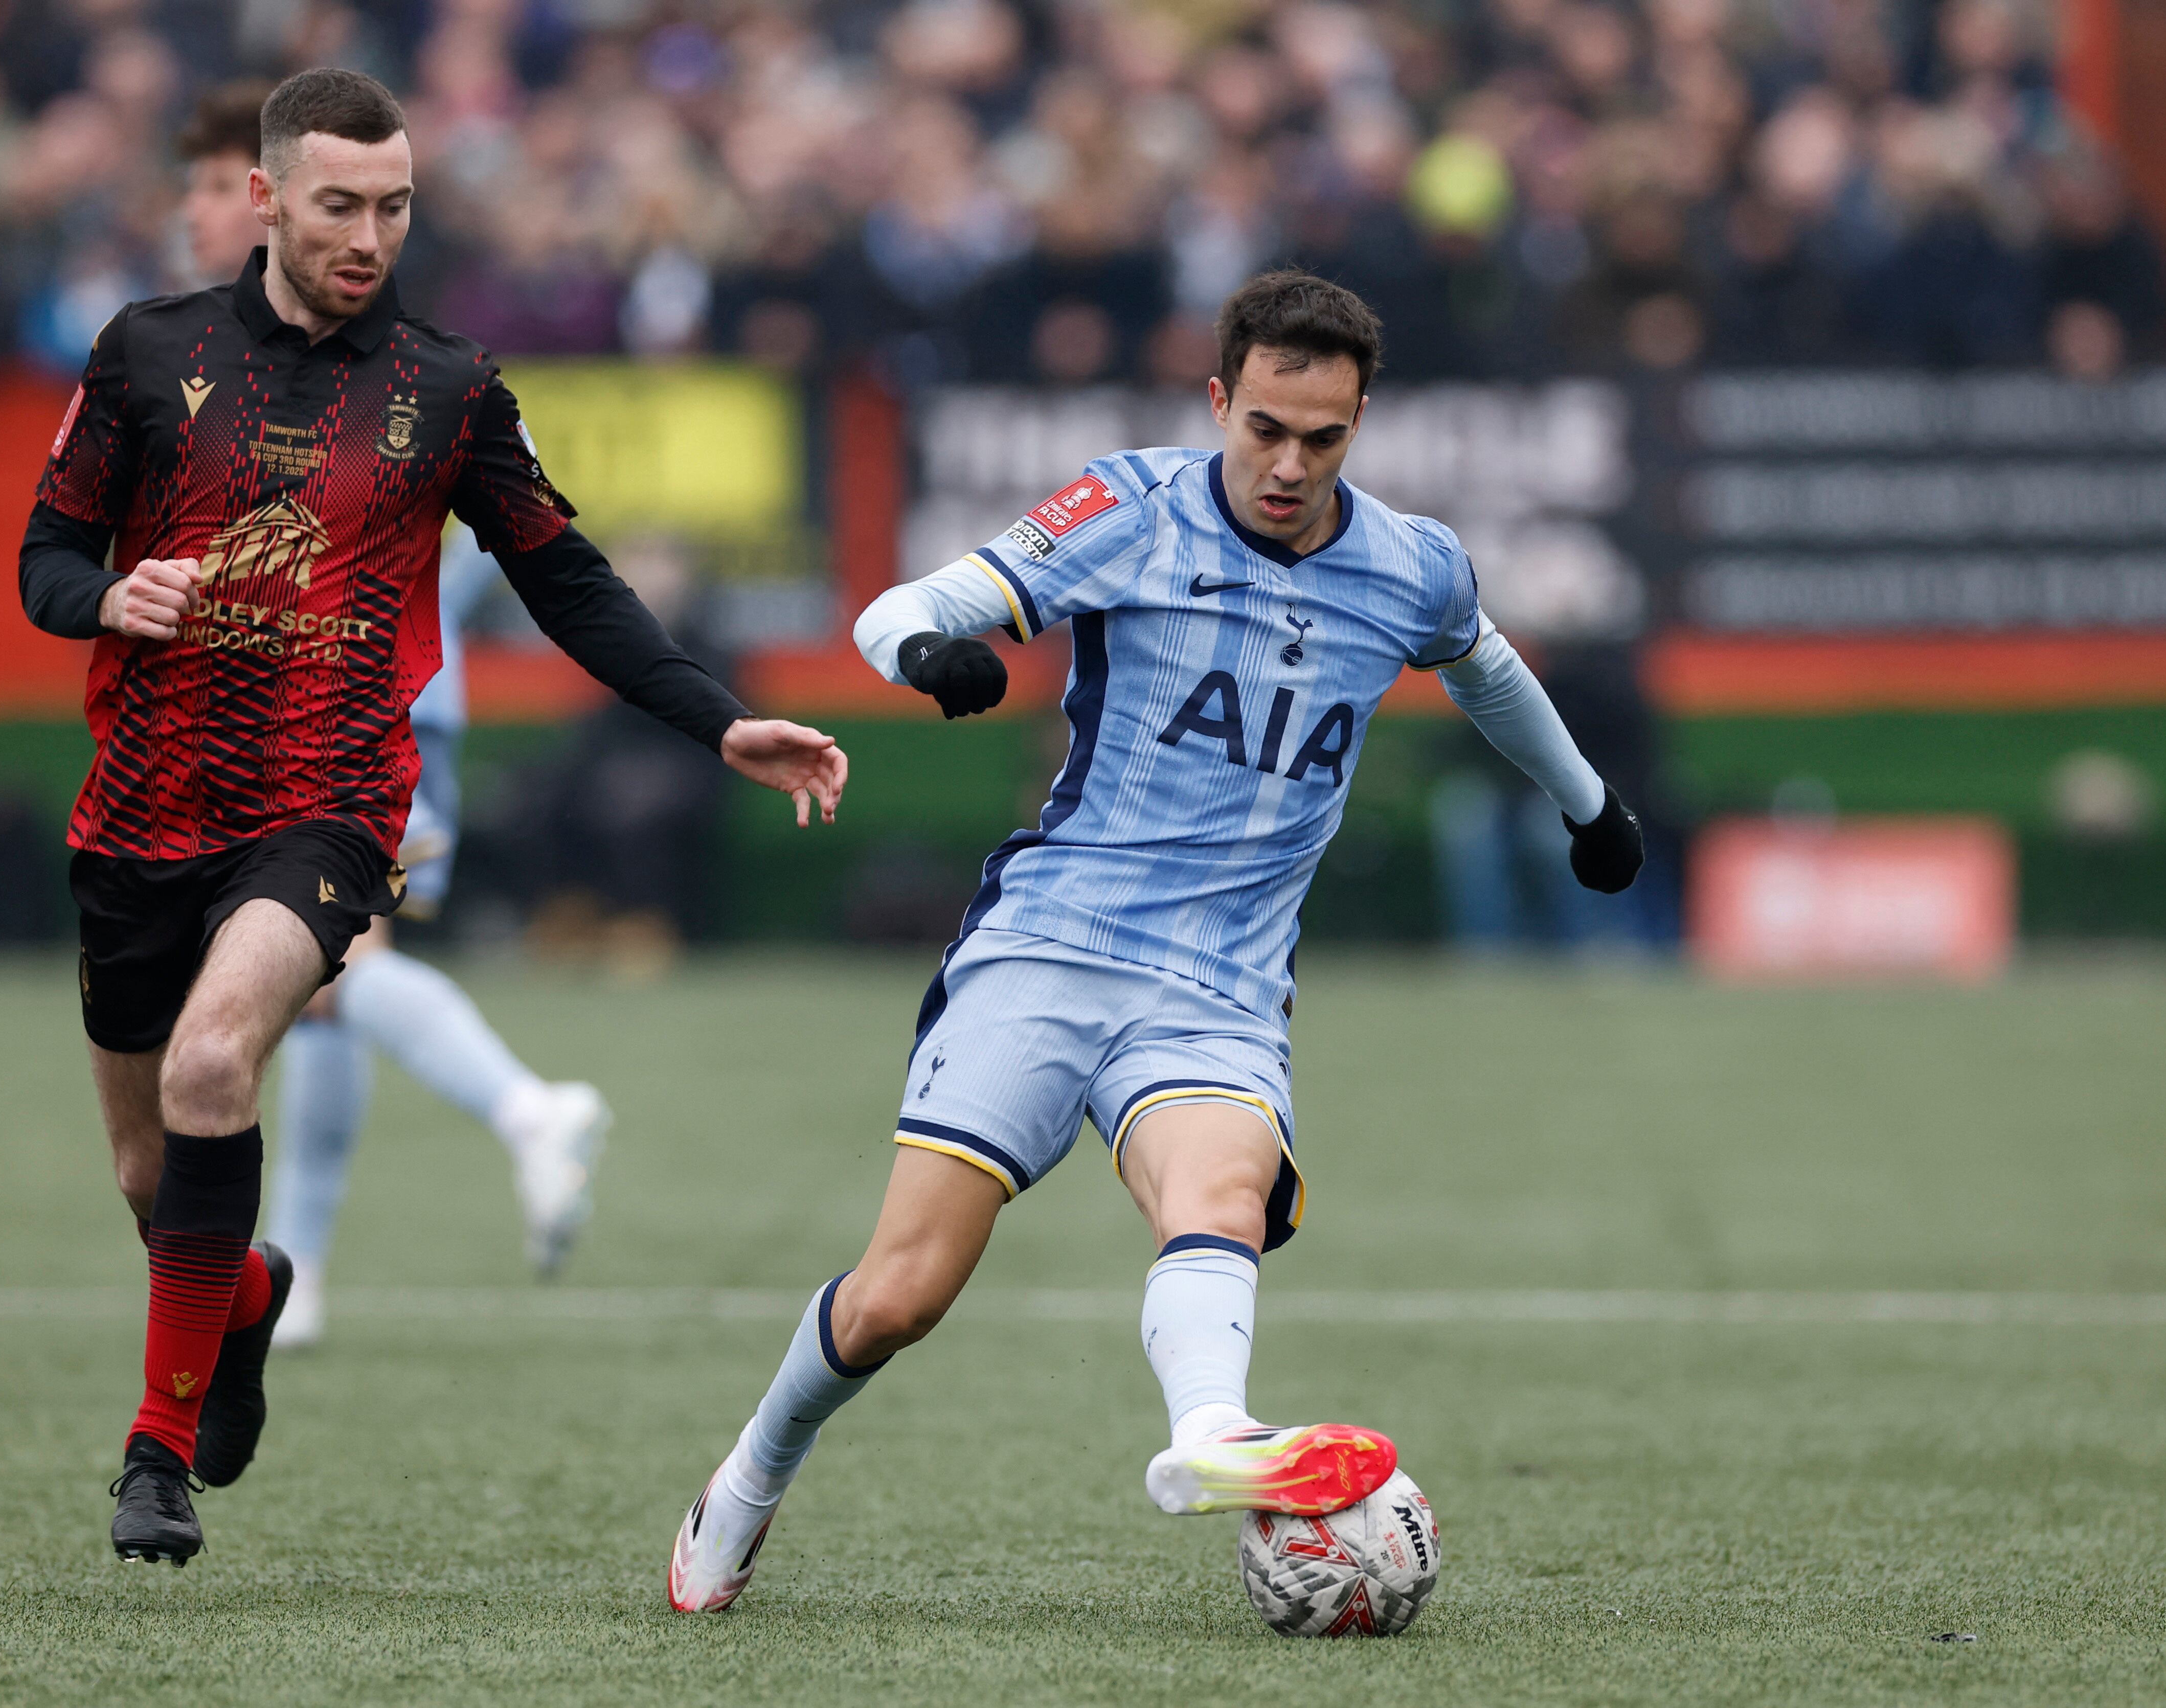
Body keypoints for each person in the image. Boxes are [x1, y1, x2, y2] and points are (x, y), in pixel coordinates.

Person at [666, 270, 1641, 1612]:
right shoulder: (1129, 508)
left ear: (1359, 421)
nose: (1288, 464)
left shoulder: (1411, 564)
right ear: (1218, 400)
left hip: (1219, 982)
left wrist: (1589, 805)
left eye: (1322, 437)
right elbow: (894, 607)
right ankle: (751, 1470)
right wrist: (933, 654)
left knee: (1218, 1195)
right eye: (1264, 429)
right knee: (900, 1294)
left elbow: (1483, 664)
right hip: (1050, 945)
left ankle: (1212, 1432)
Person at [17, 67, 848, 1568]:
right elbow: (46, 558)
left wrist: (718, 719)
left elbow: (567, 579)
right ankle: (244, 1297)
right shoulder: (147, 351)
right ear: (264, 197)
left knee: (214, 1063)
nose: (370, 236)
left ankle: (155, 1455)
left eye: (394, 207)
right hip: (143, 806)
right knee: (152, 1177)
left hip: (327, 808)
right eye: (340, 205)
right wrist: (108, 594)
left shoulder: (449, 388)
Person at [173, 81, 616, 1345]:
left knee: (325, 966)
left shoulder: (375, 375)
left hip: (364, 711)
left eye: (209, 191)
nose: (195, 216)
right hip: (372, 705)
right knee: (320, 985)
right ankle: (303, 1266)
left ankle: (527, 1108)